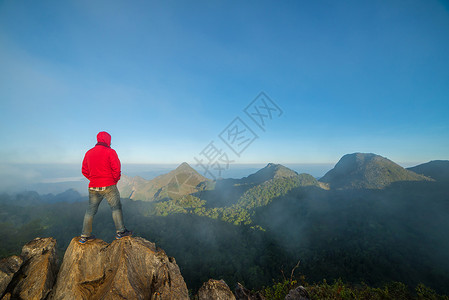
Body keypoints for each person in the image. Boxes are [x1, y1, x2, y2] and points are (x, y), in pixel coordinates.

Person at [79, 131, 132, 244]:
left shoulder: (88, 153)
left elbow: (84, 170)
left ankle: (84, 236)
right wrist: (114, 181)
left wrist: (94, 179)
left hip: (93, 187)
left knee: (90, 211)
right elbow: (116, 169)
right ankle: (121, 232)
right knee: (116, 208)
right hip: (109, 185)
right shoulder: (110, 152)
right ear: (107, 140)